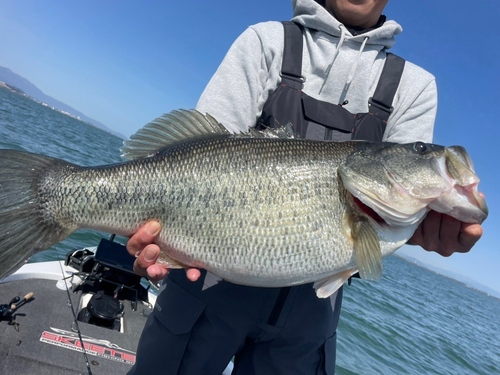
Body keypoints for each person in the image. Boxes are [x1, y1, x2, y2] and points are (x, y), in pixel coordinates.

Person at [126, 1, 484, 374]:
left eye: (421, 153)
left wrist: (421, 229)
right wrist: (165, 242)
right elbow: (202, 157)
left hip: (308, 320)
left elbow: (390, 218)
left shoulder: (415, 87)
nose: (426, 156)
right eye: (421, 153)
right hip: (205, 283)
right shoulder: (266, 40)